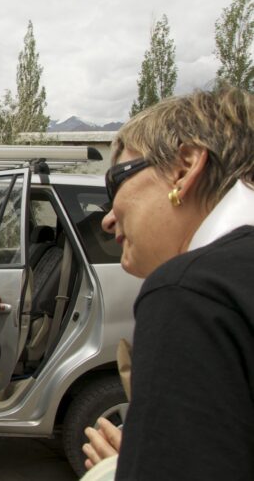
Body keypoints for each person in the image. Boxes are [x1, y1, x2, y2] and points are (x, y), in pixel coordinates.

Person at [81, 85, 254, 480]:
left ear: (184, 168)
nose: (106, 219)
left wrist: (119, 470)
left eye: (115, 183)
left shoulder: (191, 291)